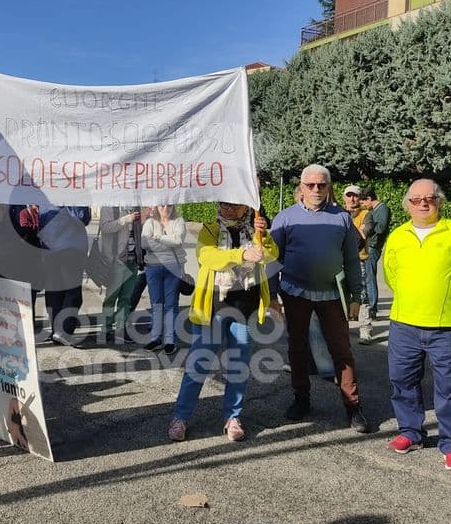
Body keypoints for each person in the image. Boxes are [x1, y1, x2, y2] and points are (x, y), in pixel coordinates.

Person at [383, 179, 451, 473]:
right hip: (404, 323)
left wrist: (446, 299)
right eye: (416, 200)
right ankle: (411, 433)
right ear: (407, 205)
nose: (423, 203)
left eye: (429, 198)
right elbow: (391, 274)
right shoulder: (398, 236)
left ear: (439, 201)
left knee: (449, 388)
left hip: (444, 325)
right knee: (402, 381)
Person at [270, 164, 370, 433]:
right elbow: (271, 260)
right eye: (310, 185)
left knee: (341, 350)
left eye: (321, 185)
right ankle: (301, 399)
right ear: (301, 188)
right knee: (298, 348)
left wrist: (356, 296)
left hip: (331, 295)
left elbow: (351, 259)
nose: (316, 189)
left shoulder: (342, 218)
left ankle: (353, 406)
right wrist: (270, 295)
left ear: (328, 187)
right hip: (294, 293)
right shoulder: (284, 218)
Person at [168, 202, 277, 442]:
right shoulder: (211, 229)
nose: (227, 209)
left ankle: (233, 416)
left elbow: (270, 255)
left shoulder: (255, 229)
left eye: (234, 206)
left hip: (245, 310)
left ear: (245, 206)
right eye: (224, 205)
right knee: (199, 364)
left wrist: (265, 236)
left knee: (238, 368)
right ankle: (180, 416)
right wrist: (241, 254)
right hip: (214, 310)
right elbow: (207, 257)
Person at [39, 205, 91, 346]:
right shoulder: (73, 194)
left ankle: (57, 331)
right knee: (71, 292)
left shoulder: (44, 197)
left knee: (55, 292)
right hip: (70, 250)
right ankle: (63, 331)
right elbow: (82, 217)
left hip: (50, 250)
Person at [141, 204, 186, 355]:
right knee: (156, 303)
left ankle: (169, 340)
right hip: (153, 267)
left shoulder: (179, 221)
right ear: (156, 207)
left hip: (173, 267)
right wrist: (168, 243)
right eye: (162, 205)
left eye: (169, 205)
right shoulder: (149, 223)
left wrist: (158, 238)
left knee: (171, 304)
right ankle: (155, 338)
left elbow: (178, 241)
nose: (165, 208)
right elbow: (145, 243)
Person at [99, 206, 144, 343]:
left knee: (126, 297)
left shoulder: (135, 204)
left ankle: (121, 329)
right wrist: (127, 219)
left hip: (133, 259)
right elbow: (105, 227)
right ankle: (105, 329)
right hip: (116, 259)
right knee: (111, 297)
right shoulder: (108, 204)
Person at [342, 185, 374, 345]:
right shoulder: (339, 213)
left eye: (355, 196)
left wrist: (346, 221)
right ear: (344, 198)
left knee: (362, 296)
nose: (352, 199)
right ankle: (342, 329)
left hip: (359, 259)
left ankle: (365, 330)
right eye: (349, 196)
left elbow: (363, 235)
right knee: (341, 296)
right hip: (340, 260)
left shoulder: (366, 214)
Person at [359, 188, 390, 319]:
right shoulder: (374, 210)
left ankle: (372, 307)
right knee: (366, 276)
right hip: (370, 245)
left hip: (373, 246)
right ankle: (367, 303)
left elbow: (381, 227)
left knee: (370, 277)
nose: (364, 206)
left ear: (369, 199)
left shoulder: (383, 209)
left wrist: (367, 228)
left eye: (364, 202)